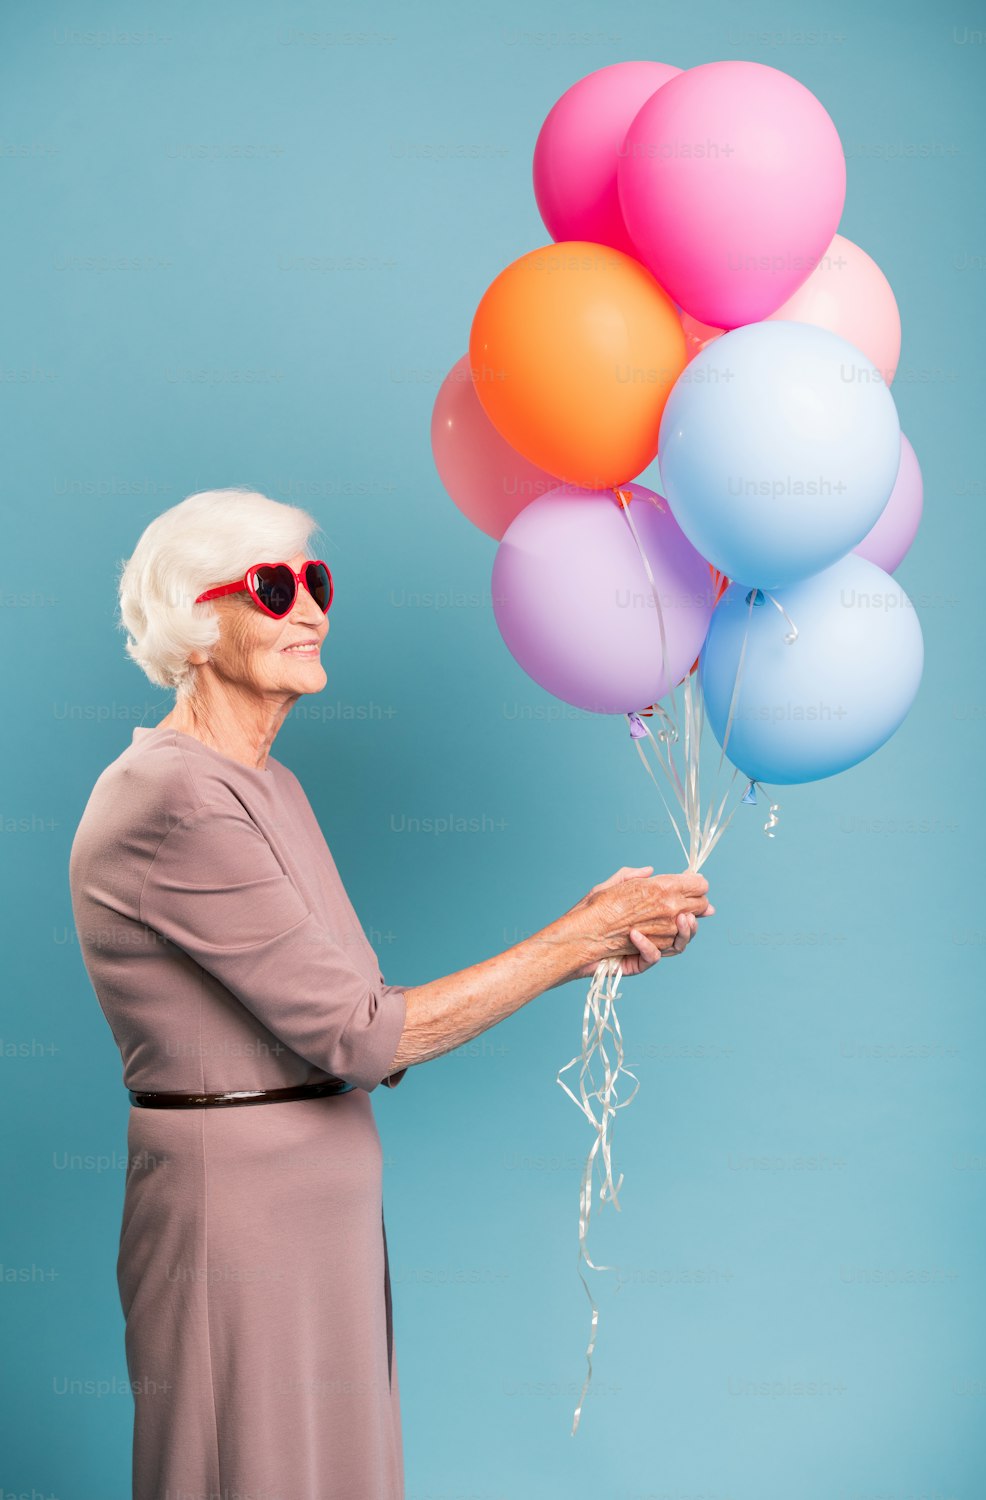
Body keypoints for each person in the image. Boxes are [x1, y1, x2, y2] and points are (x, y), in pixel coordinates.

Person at [68, 487, 714, 1500]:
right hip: (237, 1218)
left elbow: (351, 1011)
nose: (312, 610)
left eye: (315, 582)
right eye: (272, 588)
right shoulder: (173, 798)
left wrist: (587, 950)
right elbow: (366, 1035)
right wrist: (568, 939)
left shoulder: (268, 785)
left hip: (311, 1204)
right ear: (193, 626)